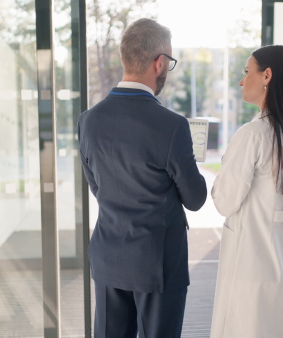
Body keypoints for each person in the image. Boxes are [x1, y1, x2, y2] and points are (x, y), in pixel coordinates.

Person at [78, 18, 207, 338]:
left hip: (108, 259)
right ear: (159, 62)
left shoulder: (88, 121)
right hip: (157, 266)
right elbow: (195, 199)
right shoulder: (173, 126)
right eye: (170, 62)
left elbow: (97, 187)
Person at [210, 45, 283, 338]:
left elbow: (224, 201)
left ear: (267, 76)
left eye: (247, 72)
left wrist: (224, 165)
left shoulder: (253, 135)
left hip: (252, 273)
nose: (241, 80)